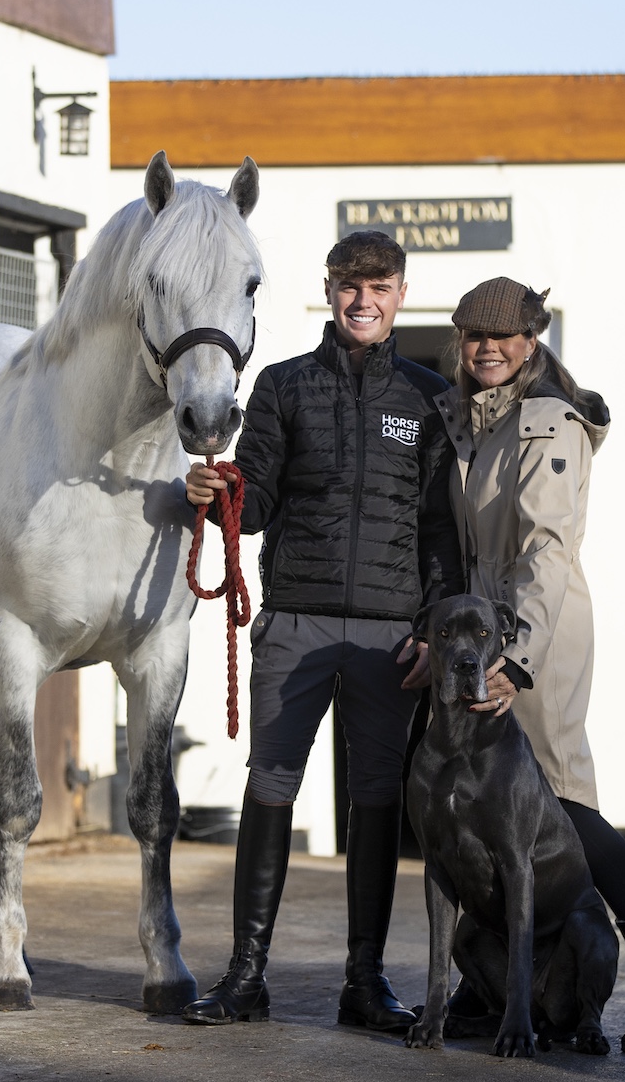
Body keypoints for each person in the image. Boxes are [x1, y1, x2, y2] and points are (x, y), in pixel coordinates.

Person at [408, 276, 625, 1055]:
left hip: (537, 636)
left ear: (532, 341)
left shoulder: (547, 421)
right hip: (484, 633)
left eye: (503, 336)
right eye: (474, 335)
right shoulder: (473, 416)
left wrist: (516, 661)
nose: (487, 347)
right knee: (492, 808)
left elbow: (547, 551)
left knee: (563, 803)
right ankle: (490, 986)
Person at [180, 230, 461, 1031]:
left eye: (378, 288)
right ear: (331, 290)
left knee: (376, 800)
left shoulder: (429, 397)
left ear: (401, 294)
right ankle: (245, 978)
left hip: (390, 637)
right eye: (349, 287)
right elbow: (259, 504)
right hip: (295, 621)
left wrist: (434, 626)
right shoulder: (282, 385)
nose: (362, 302)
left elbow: (439, 529)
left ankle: (363, 985)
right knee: (270, 788)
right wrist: (221, 493)